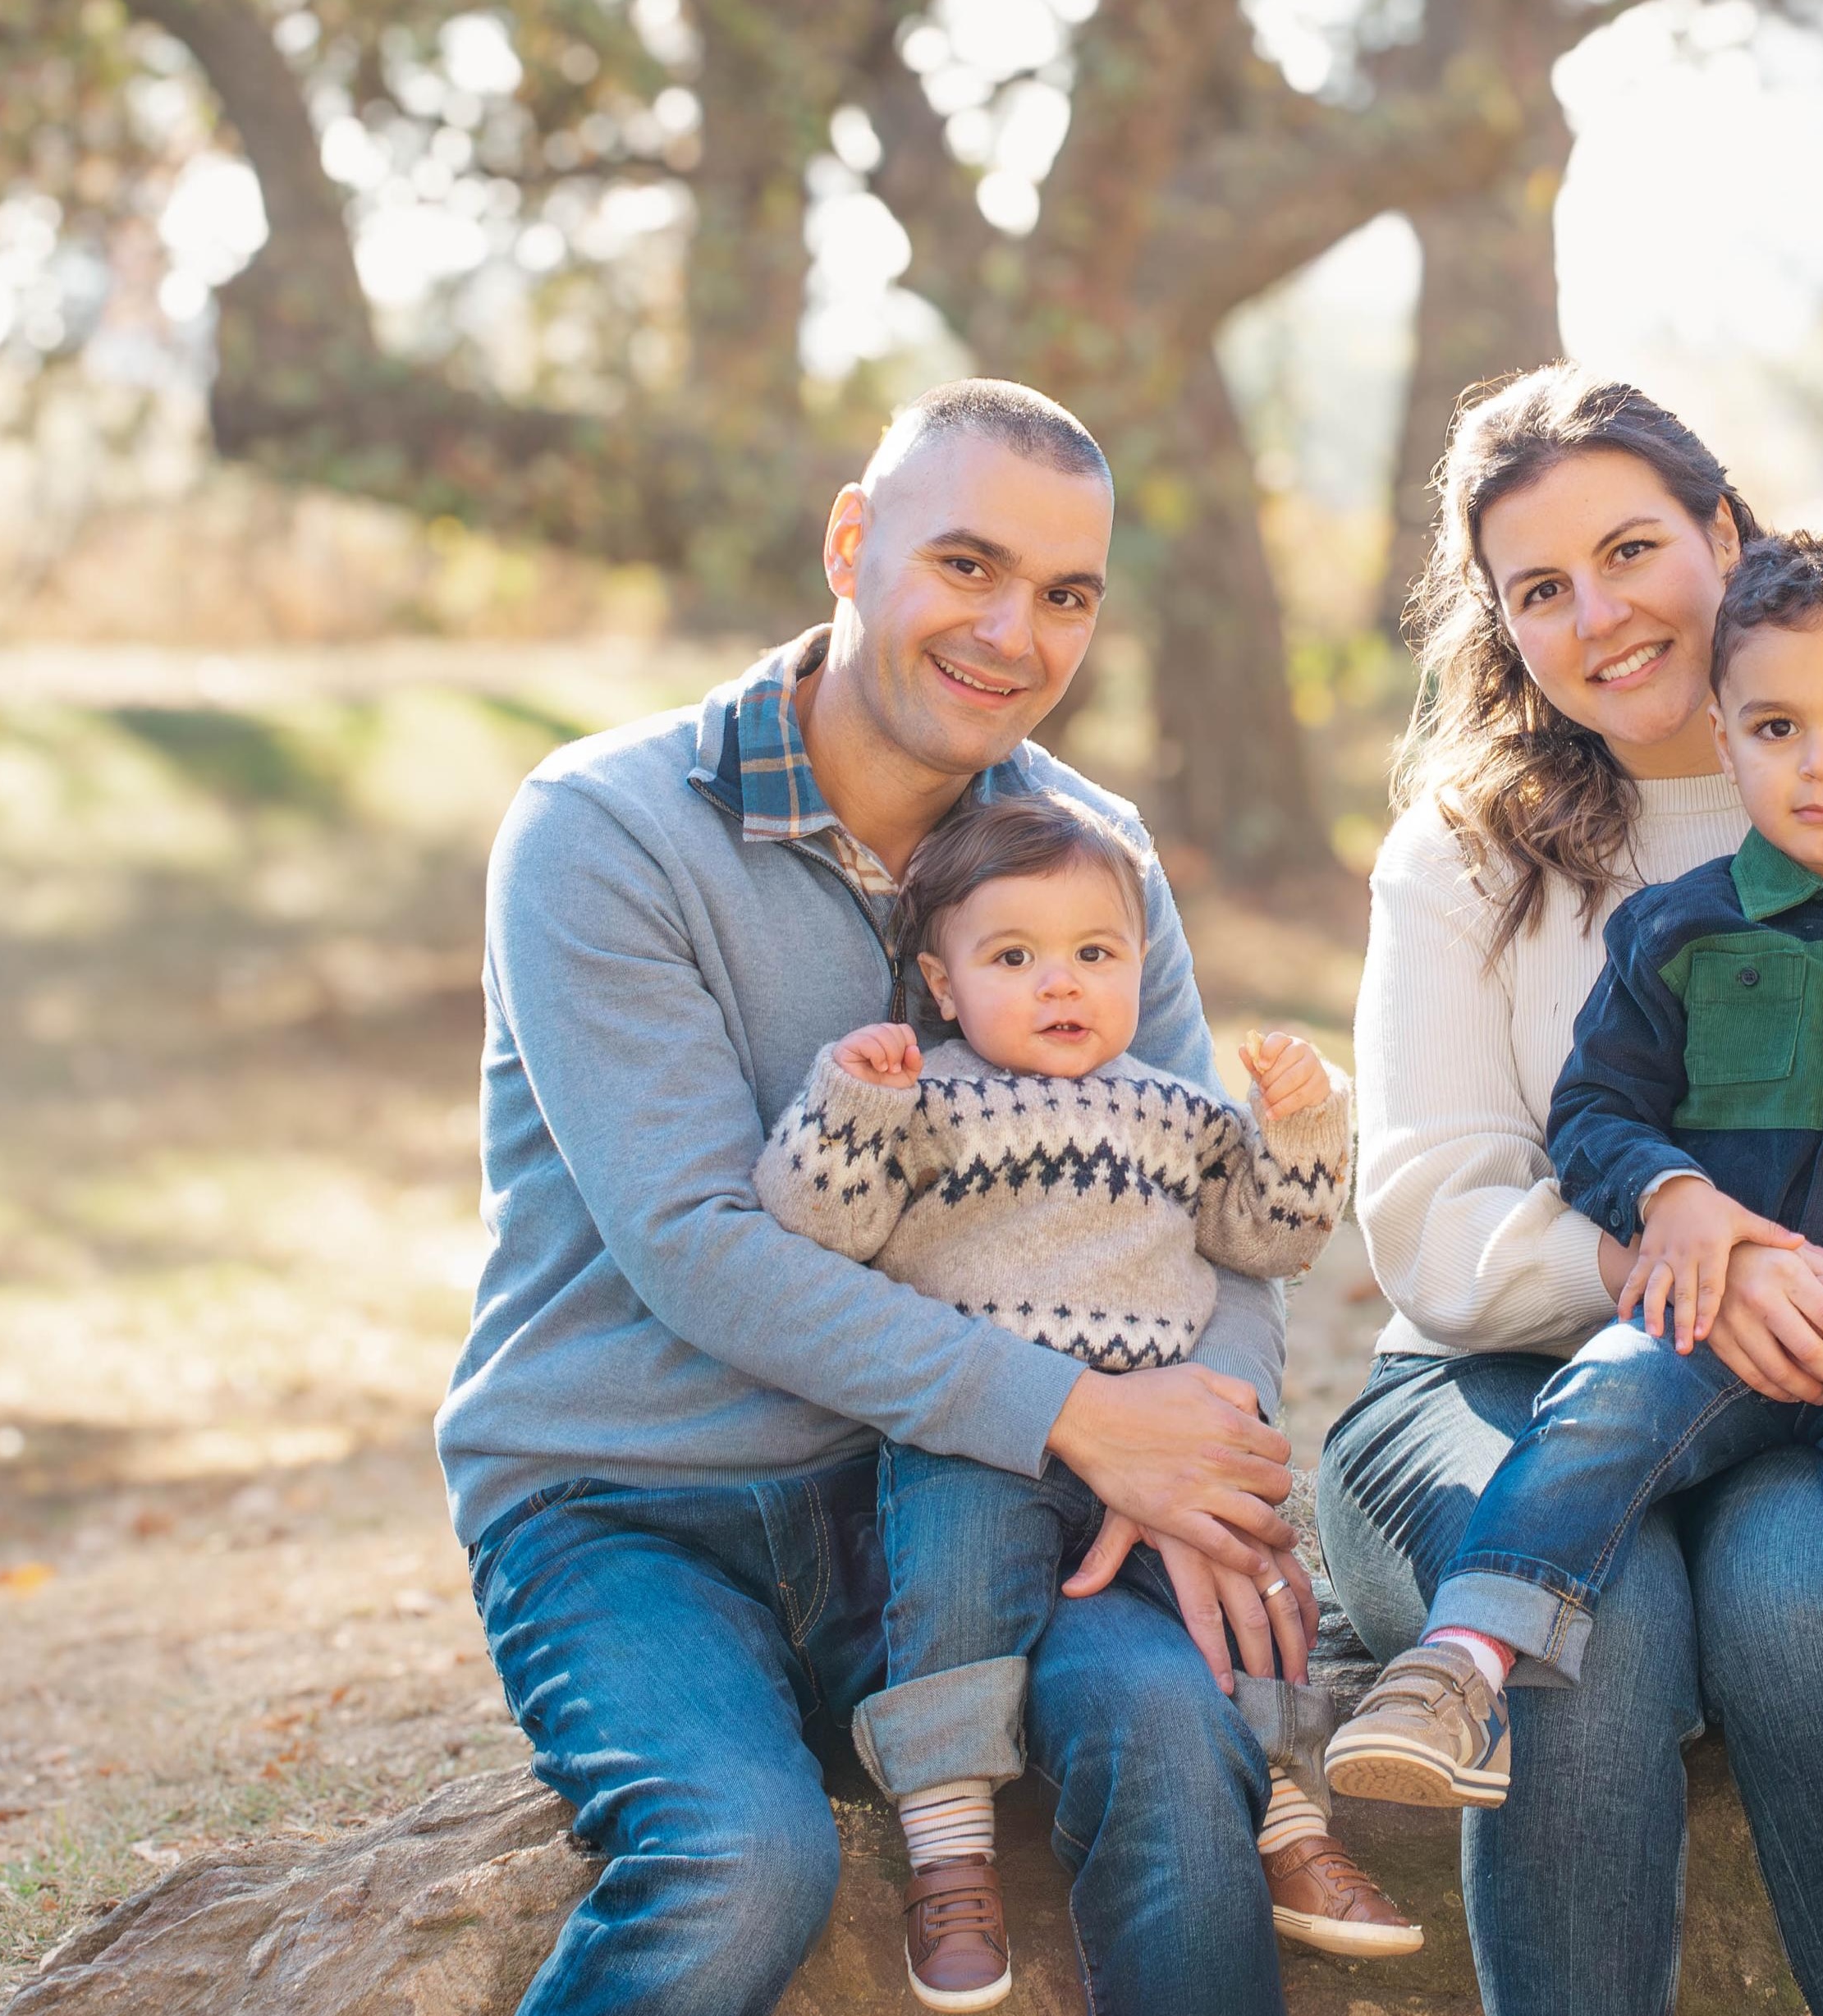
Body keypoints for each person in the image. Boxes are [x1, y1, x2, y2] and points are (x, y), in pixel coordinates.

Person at [442, 379, 1325, 2016]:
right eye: (966, 565)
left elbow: (1214, 1206)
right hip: (629, 1506)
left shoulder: (1090, 852)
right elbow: (698, 1252)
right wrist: (1077, 1411)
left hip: (953, 1502)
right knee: (738, 1861)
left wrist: (1199, 1454)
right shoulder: (605, 829)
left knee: (1171, 1719)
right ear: (852, 542)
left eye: (1066, 594)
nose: (1013, 630)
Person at [1317, 364, 1823, 2016]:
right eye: (1539, 589)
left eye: (1629, 550)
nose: (1596, 613)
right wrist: (1705, 1272)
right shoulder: (1465, 846)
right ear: (1503, 624)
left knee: (1788, 1611)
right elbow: (1431, 1221)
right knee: (1589, 1636)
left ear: (1725, 532)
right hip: (1483, 1386)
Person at [751, 788, 1418, 2009]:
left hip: (1160, 1442)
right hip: (979, 1439)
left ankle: (1287, 1815)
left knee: (1254, 1595)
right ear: (944, 985)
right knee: (948, 1598)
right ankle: (948, 1855)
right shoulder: (928, 1100)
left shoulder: (1180, 1112)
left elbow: (1269, 1238)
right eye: (1015, 958)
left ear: (1141, 962)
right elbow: (814, 1225)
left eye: (1095, 955)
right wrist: (852, 1097)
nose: (1062, 985)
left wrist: (1306, 1120)